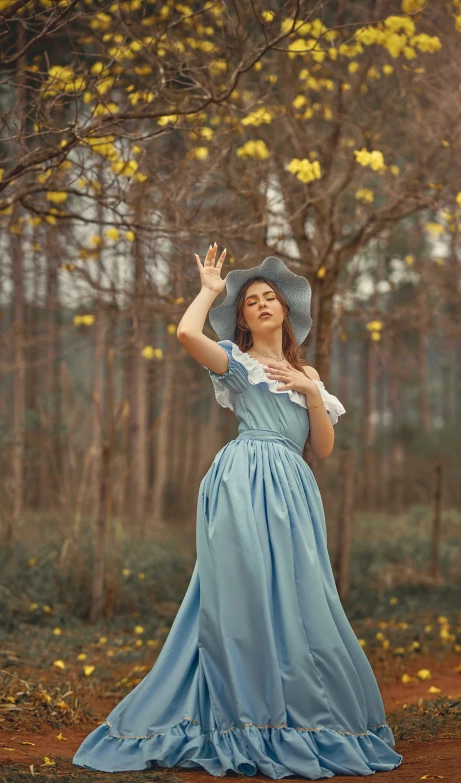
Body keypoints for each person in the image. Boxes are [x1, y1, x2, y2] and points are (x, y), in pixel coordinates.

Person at [72, 245, 403, 778]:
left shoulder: (307, 370)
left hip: (293, 488)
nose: (263, 303)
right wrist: (208, 291)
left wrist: (311, 392)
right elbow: (184, 336)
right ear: (244, 320)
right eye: (251, 301)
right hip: (245, 480)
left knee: (300, 596)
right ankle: (243, 718)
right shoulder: (235, 360)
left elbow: (322, 449)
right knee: (244, 594)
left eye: (271, 297)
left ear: (286, 311)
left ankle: (298, 715)